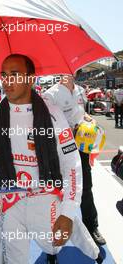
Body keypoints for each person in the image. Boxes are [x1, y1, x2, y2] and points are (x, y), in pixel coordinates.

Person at [0, 54, 100, 264]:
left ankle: (88, 246)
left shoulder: (53, 115)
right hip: (10, 200)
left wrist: (68, 213)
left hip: (46, 196)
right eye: (4, 75)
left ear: (31, 79)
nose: (8, 81)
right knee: (7, 255)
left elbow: (72, 164)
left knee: (54, 245)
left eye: (15, 75)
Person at [44, 74, 106, 246]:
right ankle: (53, 232)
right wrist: (69, 130)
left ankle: (91, 226)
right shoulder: (50, 95)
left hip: (81, 146)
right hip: (60, 150)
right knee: (58, 190)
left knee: (86, 186)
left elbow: (82, 113)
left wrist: (88, 118)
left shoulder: (79, 91)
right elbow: (47, 125)